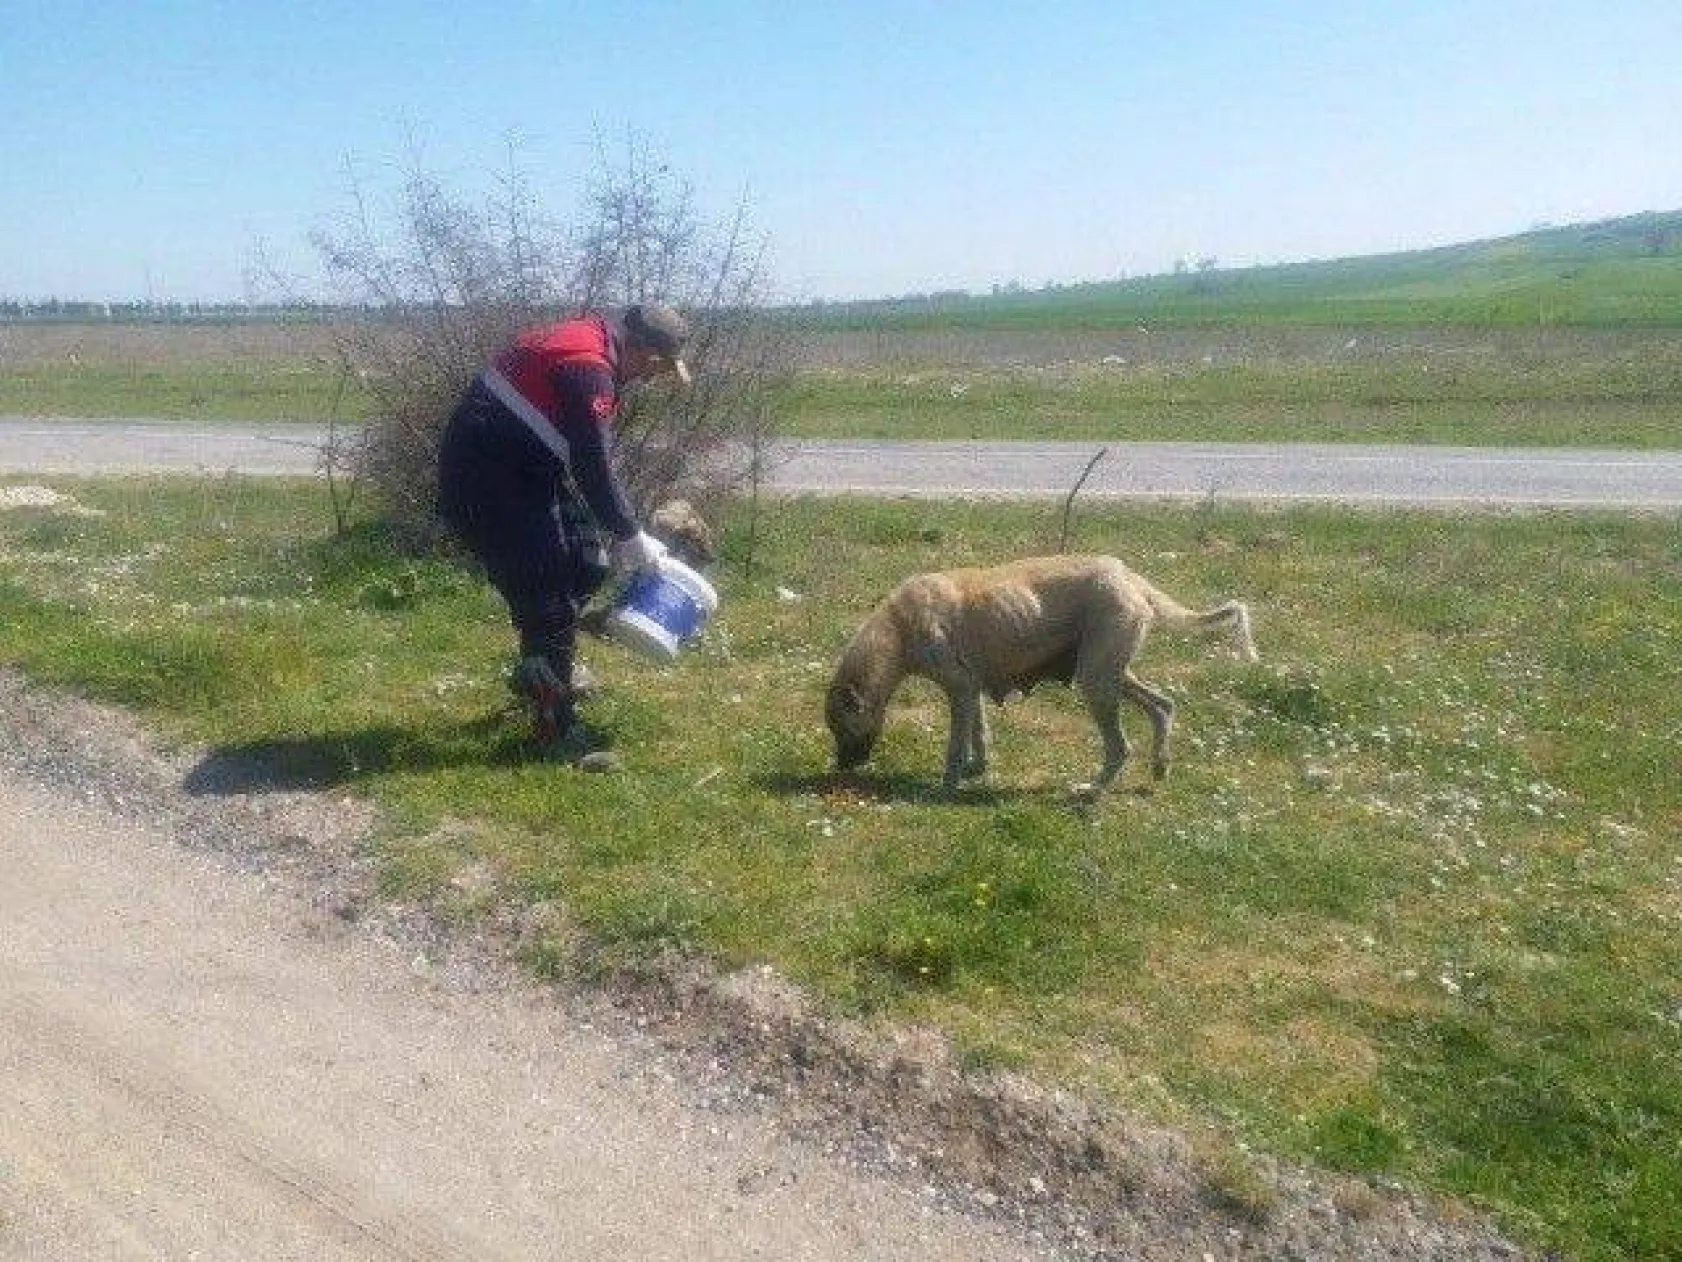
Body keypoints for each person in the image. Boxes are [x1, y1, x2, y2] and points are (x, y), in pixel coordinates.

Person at [436, 302, 692, 760]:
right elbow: (593, 463)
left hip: (521, 468)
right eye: (657, 368)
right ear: (643, 352)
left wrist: (617, 534)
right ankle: (555, 733)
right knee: (550, 595)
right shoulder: (588, 369)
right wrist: (631, 535)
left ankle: (542, 671)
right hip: (487, 478)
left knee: (586, 560)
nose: (653, 378)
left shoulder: (591, 338)